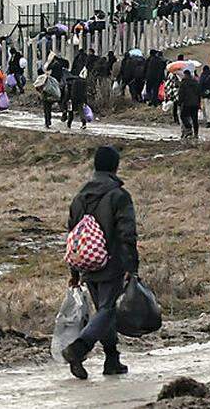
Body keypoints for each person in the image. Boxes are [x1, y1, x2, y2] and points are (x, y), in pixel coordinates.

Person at [61, 146, 138, 380]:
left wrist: (74, 271)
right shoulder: (119, 196)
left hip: (85, 262)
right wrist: (132, 267)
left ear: (95, 166)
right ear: (116, 167)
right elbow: (127, 234)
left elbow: (73, 235)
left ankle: (112, 359)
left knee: (103, 313)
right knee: (107, 310)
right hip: (111, 262)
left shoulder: (79, 197)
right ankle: (79, 348)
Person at [178, 69, 202, 139]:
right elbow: (199, 93)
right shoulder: (195, 82)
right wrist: (199, 103)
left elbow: (181, 94)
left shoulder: (183, 83)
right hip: (195, 104)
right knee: (195, 119)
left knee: (183, 116)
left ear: (185, 75)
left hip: (186, 103)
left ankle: (189, 129)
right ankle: (196, 134)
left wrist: (180, 102)